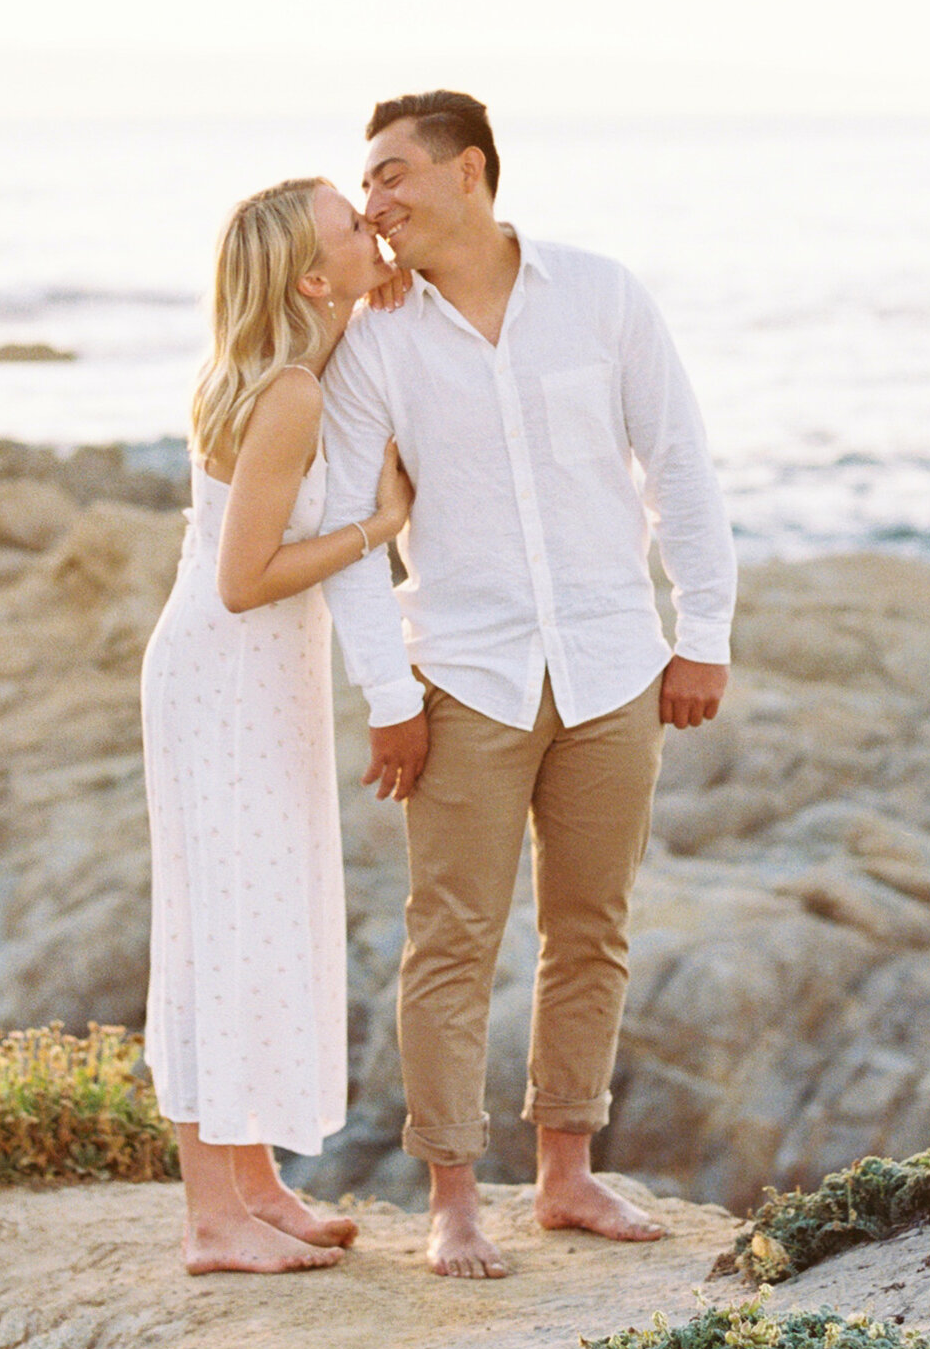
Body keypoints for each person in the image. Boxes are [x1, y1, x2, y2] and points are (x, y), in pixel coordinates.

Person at [321, 90, 735, 1278]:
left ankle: (564, 1173)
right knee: (449, 940)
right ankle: (453, 1196)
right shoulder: (375, 341)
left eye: (394, 174)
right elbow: (353, 531)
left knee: (589, 926)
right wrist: (388, 696)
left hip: (613, 660)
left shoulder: (601, 295)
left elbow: (679, 464)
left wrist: (700, 627)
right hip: (464, 674)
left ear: (471, 172)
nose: (375, 201)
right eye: (369, 181)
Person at [141, 176, 413, 1274]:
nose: (372, 225)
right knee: (223, 927)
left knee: (250, 913)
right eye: (352, 225)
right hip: (229, 674)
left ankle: (255, 1185)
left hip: (241, 674)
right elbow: (247, 576)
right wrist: (378, 528)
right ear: (310, 273)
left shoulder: (278, 368)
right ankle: (213, 1218)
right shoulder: (290, 390)